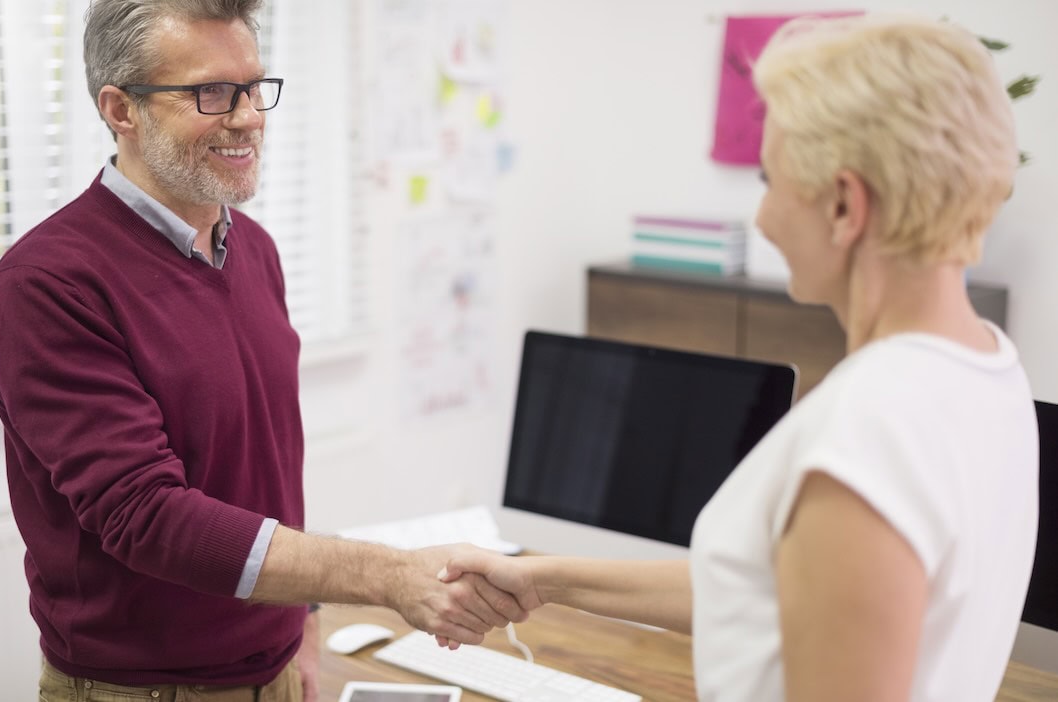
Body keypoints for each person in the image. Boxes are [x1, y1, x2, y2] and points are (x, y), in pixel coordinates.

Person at [440, 14, 1038, 702]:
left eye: (770, 178)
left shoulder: (867, 437)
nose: (762, 218)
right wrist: (543, 579)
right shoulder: (988, 372)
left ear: (845, 206)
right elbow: (761, 587)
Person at [0, 1, 523, 700]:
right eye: (212, 92)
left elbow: (263, 471)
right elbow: (147, 517)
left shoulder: (254, 250)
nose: (249, 117)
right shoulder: (49, 284)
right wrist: (387, 577)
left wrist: (304, 618)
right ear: (120, 109)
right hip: (142, 690)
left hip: (276, 670)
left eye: (254, 87)